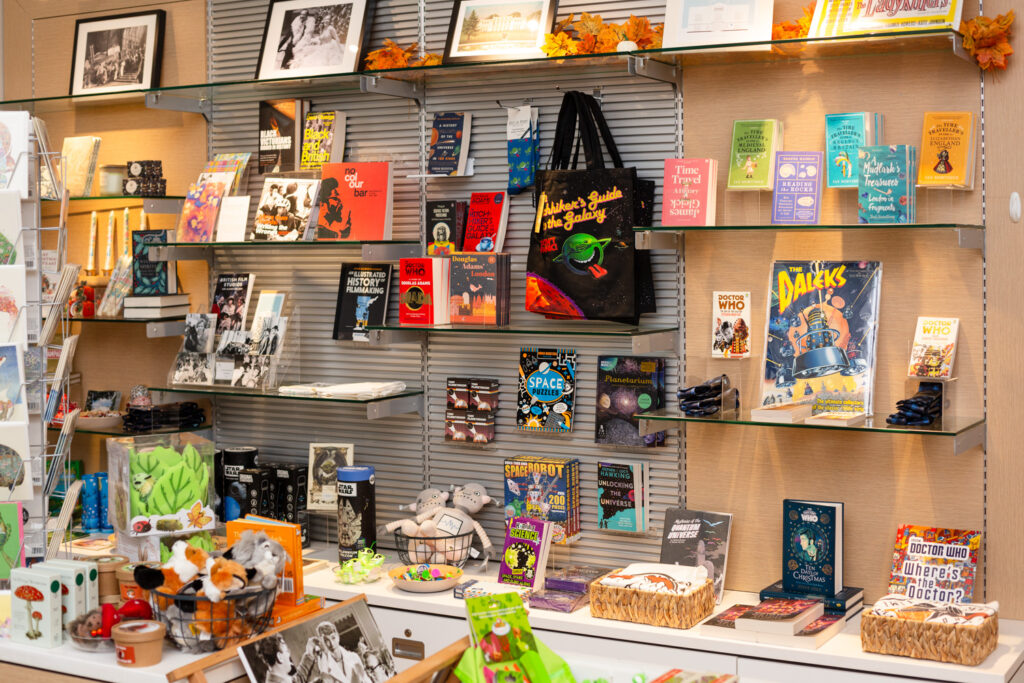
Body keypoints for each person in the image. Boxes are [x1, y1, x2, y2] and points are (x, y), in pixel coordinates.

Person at [295, 621, 366, 682]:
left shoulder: (353, 657)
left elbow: (366, 680)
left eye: (333, 637)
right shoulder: (321, 666)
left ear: (338, 636)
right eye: (326, 640)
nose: (331, 643)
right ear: (321, 641)